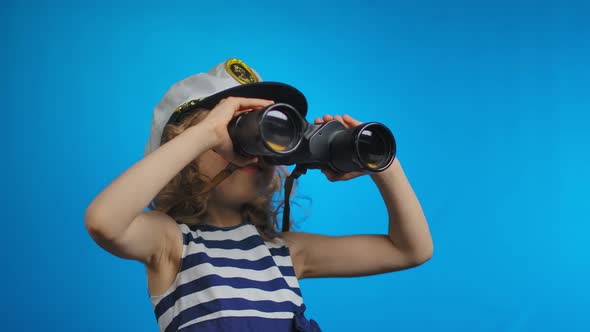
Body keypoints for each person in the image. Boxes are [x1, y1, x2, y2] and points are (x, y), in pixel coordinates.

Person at [85, 58, 434, 332]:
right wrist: (207, 133)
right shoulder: (171, 243)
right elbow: (105, 222)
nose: (254, 150)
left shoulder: (285, 251)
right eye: (238, 130)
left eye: (270, 131)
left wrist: (382, 165)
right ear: (184, 152)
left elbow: (410, 249)